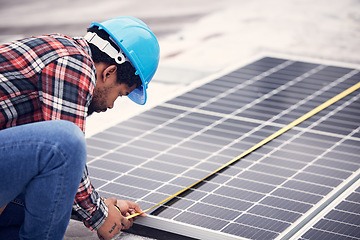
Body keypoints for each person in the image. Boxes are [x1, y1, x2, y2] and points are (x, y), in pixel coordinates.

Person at [0, 16, 160, 240]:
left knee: (41, 196)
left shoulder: (63, 52)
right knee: (64, 141)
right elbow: (63, 151)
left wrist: (99, 205)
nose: (112, 105)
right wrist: (100, 216)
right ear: (109, 72)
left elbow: (53, 173)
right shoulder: (74, 63)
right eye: (120, 94)